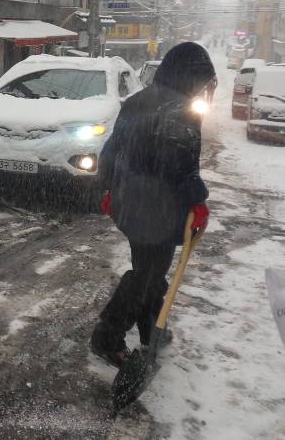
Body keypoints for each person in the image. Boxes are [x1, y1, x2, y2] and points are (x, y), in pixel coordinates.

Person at [90, 42, 215, 367]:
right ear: (190, 76)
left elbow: (112, 149)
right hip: (158, 207)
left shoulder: (138, 100)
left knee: (149, 270)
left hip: (130, 203)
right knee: (148, 276)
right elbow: (178, 163)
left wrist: (108, 187)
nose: (203, 89)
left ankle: (152, 330)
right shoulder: (181, 109)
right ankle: (108, 336)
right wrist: (197, 200)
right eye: (202, 81)